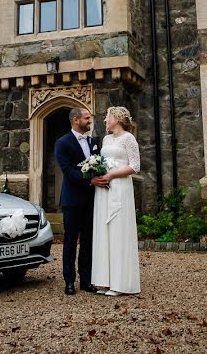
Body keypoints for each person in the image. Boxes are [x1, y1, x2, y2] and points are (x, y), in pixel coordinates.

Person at [54, 107, 109, 296]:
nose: (90, 121)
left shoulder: (93, 141)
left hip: (92, 199)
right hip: (72, 200)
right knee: (70, 242)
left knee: (88, 242)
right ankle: (69, 281)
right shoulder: (62, 143)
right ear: (75, 120)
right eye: (87, 118)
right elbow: (68, 171)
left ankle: (86, 280)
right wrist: (90, 180)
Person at [91, 106, 141, 296]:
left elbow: (135, 166)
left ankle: (121, 283)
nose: (105, 120)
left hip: (120, 187)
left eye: (108, 117)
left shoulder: (129, 138)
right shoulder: (106, 139)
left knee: (119, 231)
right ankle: (105, 280)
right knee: (105, 232)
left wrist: (112, 175)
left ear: (117, 119)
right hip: (104, 189)